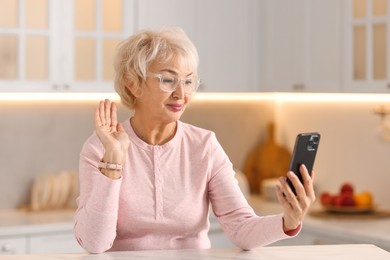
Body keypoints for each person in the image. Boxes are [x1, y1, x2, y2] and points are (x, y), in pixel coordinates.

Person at [74, 27, 316, 254]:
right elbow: (95, 244)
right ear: (133, 83)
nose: (181, 93)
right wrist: (114, 161)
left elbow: (242, 229)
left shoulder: (204, 145)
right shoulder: (100, 148)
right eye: (168, 80)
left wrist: (289, 221)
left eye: (188, 81)